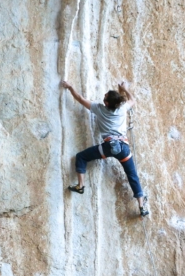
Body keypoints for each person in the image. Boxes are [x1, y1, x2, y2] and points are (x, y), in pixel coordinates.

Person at [61, 80, 149, 217]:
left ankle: (80, 186)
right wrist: (124, 89)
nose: (103, 96)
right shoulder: (122, 108)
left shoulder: (99, 109)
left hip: (108, 147)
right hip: (123, 148)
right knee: (132, 176)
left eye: (105, 97)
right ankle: (142, 207)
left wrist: (70, 87)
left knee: (81, 157)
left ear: (107, 103)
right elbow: (133, 100)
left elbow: (80, 99)